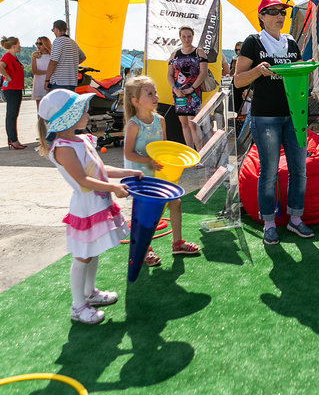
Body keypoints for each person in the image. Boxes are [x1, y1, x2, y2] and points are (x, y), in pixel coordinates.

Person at [37, 89, 141, 324]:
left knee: (92, 252)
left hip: (97, 204)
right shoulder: (63, 147)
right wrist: (113, 188)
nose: (87, 112)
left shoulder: (81, 139)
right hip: (85, 208)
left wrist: (126, 172)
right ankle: (77, 306)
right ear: (68, 117)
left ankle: (89, 293)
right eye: (81, 110)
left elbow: (99, 169)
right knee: (83, 256)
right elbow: (83, 180)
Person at [233, 0, 315, 245]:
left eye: (283, 12)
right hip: (265, 116)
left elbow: (303, 78)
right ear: (261, 16)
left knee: (299, 170)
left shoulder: (291, 43)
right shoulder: (252, 42)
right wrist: (258, 71)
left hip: (294, 115)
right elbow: (237, 81)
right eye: (274, 12)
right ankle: (269, 222)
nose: (280, 16)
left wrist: (309, 71)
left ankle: (295, 219)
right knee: (268, 172)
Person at [123, 75, 201, 266]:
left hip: (160, 174)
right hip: (142, 177)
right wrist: (148, 161)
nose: (156, 96)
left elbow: (163, 147)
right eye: (149, 93)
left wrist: (170, 161)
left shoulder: (160, 120)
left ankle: (177, 243)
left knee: (175, 203)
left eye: (155, 92)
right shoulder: (133, 125)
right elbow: (128, 153)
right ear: (135, 101)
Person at [167, 25, 208, 150]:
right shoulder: (175, 54)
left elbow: (203, 73)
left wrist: (192, 88)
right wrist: (175, 89)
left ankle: (200, 154)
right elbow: (169, 74)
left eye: (189, 36)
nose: (186, 39)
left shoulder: (198, 52)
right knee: (184, 124)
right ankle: (189, 153)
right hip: (178, 93)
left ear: (193, 36)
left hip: (193, 92)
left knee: (193, 123)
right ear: (180, 37)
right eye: (184, 36)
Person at [46, 20, 85, 92]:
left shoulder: (58, 41)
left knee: (56, 102)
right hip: (72, 81)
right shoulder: (73, 42)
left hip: (59, 82)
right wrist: (71, 64)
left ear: (56, 29)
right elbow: (83, 57)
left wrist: (47, 80)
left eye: (53, 30)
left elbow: (53, 62)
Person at [1, 36, 26, 149]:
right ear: (13, 46)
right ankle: (13, 140)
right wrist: (7, 76)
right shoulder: (7, 57)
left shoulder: (13, 57)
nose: (20, 46)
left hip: (16, 89)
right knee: (11, 115)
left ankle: (13, 139)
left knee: (13, 115)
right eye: (19, 44)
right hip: (11, 90)